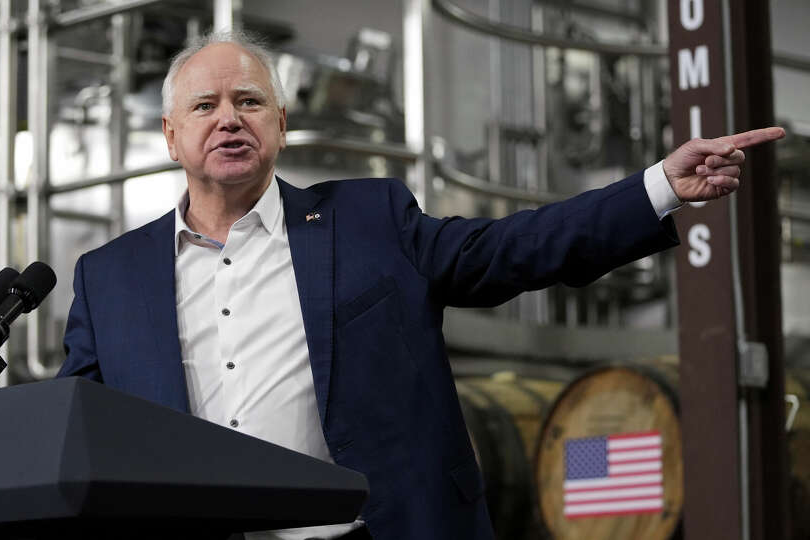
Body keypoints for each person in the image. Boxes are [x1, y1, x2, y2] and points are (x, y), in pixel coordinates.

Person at [57, 31, 785, 540]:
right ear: (170, 134)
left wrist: (658, 187)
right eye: (205, 106)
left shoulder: (370, 220)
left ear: (279, 124)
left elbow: (514, 249)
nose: (228, 120)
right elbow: (76, 438)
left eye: (248, 102)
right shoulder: (110, 278)